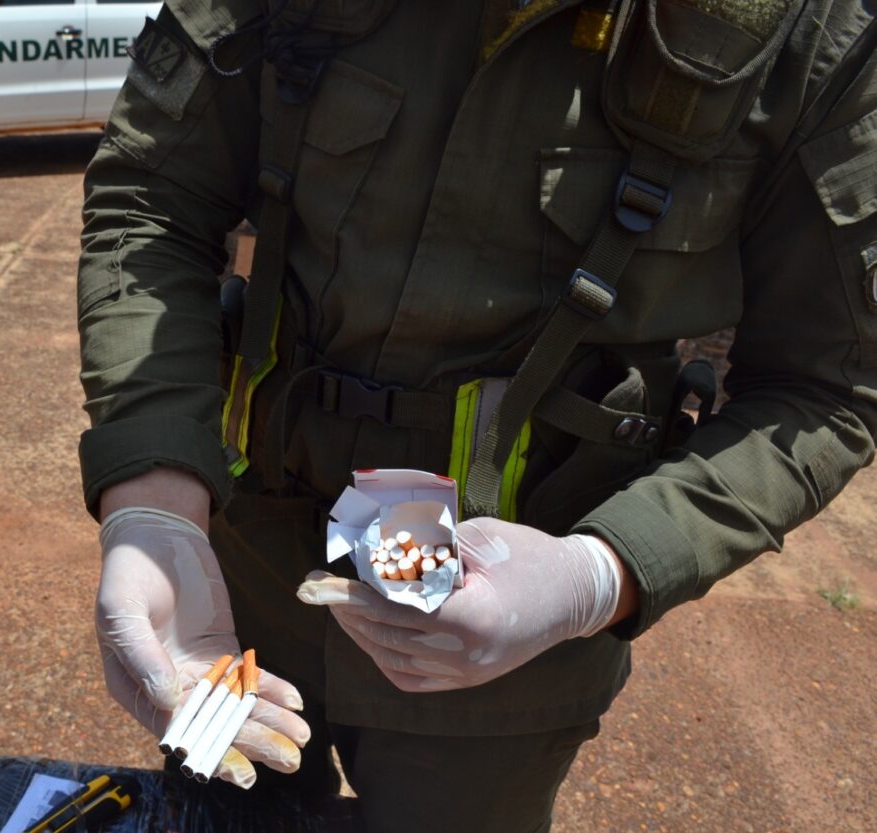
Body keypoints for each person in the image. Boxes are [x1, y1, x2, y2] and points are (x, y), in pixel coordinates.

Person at [77, 1, 877, 830]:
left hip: (503, 667)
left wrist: (602, 574)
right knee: (210, 813)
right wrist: (152, 502)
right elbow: (152, 198)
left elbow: (828, 387)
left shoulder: (812, 27)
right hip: (225, 592)